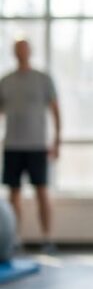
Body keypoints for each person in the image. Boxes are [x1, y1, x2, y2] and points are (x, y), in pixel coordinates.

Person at [0, 40, 61, 255]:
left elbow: (55, 110)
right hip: (13, 146)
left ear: (30, 52)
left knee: (41, 191)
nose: (21, 53)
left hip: (37, 145)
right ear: (14, 53)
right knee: (13, 193)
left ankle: (47, 238)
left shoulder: (43, 79)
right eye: (18, 50)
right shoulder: (5, 81)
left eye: (25, 49)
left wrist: (57, 141)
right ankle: (13, 238)